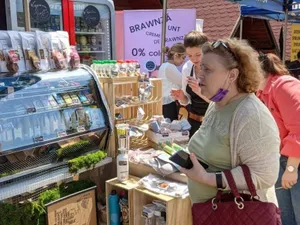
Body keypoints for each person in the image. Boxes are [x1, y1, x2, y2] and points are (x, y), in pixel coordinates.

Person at [179, 38, 280, 207]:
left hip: (235, 214)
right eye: (201, 67)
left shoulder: (251, 115)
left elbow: (264, 175)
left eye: (208, 69)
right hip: (209, 212)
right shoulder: (216, 104)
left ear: (232, 75)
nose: (200, 74)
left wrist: (208, 179)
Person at [257, 53, 300, 225]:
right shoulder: (262, 92)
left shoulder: (283, 86)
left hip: (294, 161)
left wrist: (291, 168)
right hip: (284, 159)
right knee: (286, 217)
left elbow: (298, 128)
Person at [170, 31, 210, 137]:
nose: (194, 59)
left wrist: (199, 91)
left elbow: (221, 102)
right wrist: (182, 97)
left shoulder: (215, 69)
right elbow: (187, 101)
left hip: (212, 124)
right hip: (193, 123)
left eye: (198, 55)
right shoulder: (187, 68)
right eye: (189, 55)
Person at [158, 43, 185, 121]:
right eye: (183, 57)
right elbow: (182, 82)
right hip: (170, 103)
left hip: (165, 103)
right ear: (176, 55)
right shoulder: (170, 67)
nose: (183, 61)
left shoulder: (164, 65)